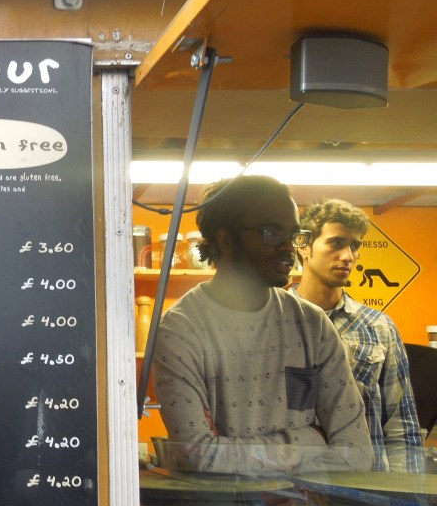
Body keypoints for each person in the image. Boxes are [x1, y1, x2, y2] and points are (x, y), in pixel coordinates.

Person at [152, 175, 373, 475]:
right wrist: (311, 440)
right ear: (226, 240)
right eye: (272, 233)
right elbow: (199, 457)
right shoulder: (180, 329)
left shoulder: (312, 324)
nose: (289, 247)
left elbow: (358, 453)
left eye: (293, 234)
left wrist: (235, 453)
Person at [292, 198, 424, 472]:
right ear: (304, 246)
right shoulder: (277, 322)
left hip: (366, 483)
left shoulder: (378, 327)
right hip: (294, 482)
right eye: (336, 243)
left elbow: (402, 427)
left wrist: (404, 492)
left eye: (354, 246)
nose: (348, 256)